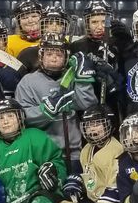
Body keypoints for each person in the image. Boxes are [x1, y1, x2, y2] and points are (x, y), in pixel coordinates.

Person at [15, 34, 99, 162]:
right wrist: (45, 110)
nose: (54, 58)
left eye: (59, 55)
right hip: (43, 155)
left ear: (66, 57)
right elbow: (21, 118)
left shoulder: (71, 78)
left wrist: (83, 80)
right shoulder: (28, 82)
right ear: (41, 56)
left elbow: (87, 105)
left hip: (75, 153)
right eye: (49, 54)